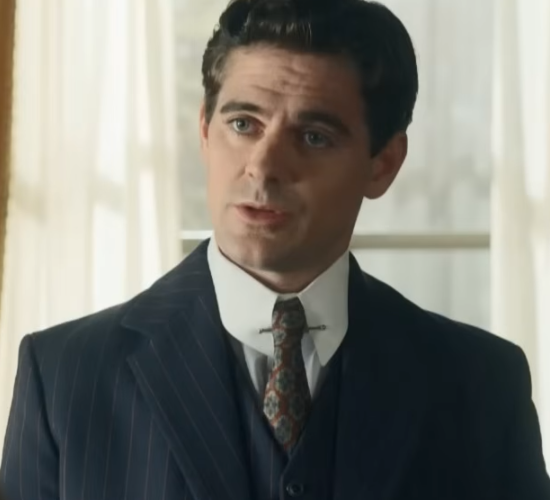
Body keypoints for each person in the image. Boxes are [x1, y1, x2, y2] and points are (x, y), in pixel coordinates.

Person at [2, 0, 549, 498]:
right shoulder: (64, 378)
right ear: (204, 130)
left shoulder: (482, 386)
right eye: (243, 124)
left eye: (313, 137)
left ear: (383, 164)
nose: (263, 167)